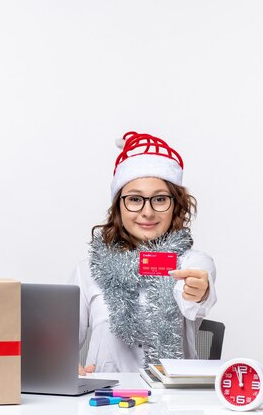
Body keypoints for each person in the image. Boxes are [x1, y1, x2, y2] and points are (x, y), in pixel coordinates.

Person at [70, 131, 217, 374]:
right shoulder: (87, 271)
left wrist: (199, 290)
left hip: (174, 402)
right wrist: (64, 367)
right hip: (106, 401)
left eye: (159, 199)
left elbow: (195, 297)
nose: (147, 212)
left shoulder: (192, 261)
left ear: (175, 206)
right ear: (119, 206)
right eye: (135, 199)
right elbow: (59, 345)